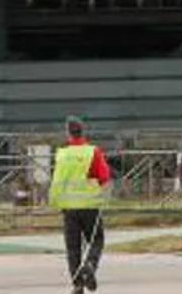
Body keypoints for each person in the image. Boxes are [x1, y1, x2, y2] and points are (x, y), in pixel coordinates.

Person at [50, 116, 111, 294]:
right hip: (90, 204)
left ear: (68, 133)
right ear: (83, 131)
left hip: (69, 207)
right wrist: (104, 198)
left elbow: (56, 181)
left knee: (72, 247)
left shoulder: (61, 154)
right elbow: (104, 177)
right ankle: (90, 265)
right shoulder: (93, 152)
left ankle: (77, 284)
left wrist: (56, 203)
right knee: (96, 240)